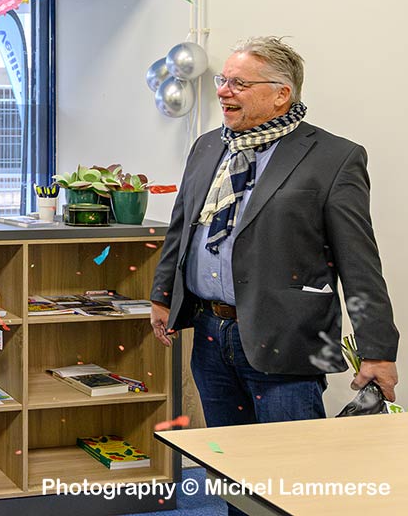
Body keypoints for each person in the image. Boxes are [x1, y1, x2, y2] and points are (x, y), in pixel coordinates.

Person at [149, 36, 398, 506]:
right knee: (232, 473)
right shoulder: (208, 147)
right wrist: (163, 295)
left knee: (291, 481)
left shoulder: (334, 157)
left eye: (239, 83)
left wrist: (378, 351)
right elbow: (182, 228)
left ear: (281, 94)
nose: (223, 91)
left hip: (288, 339)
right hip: (210, 334)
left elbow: (360, 263)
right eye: (222, 79)